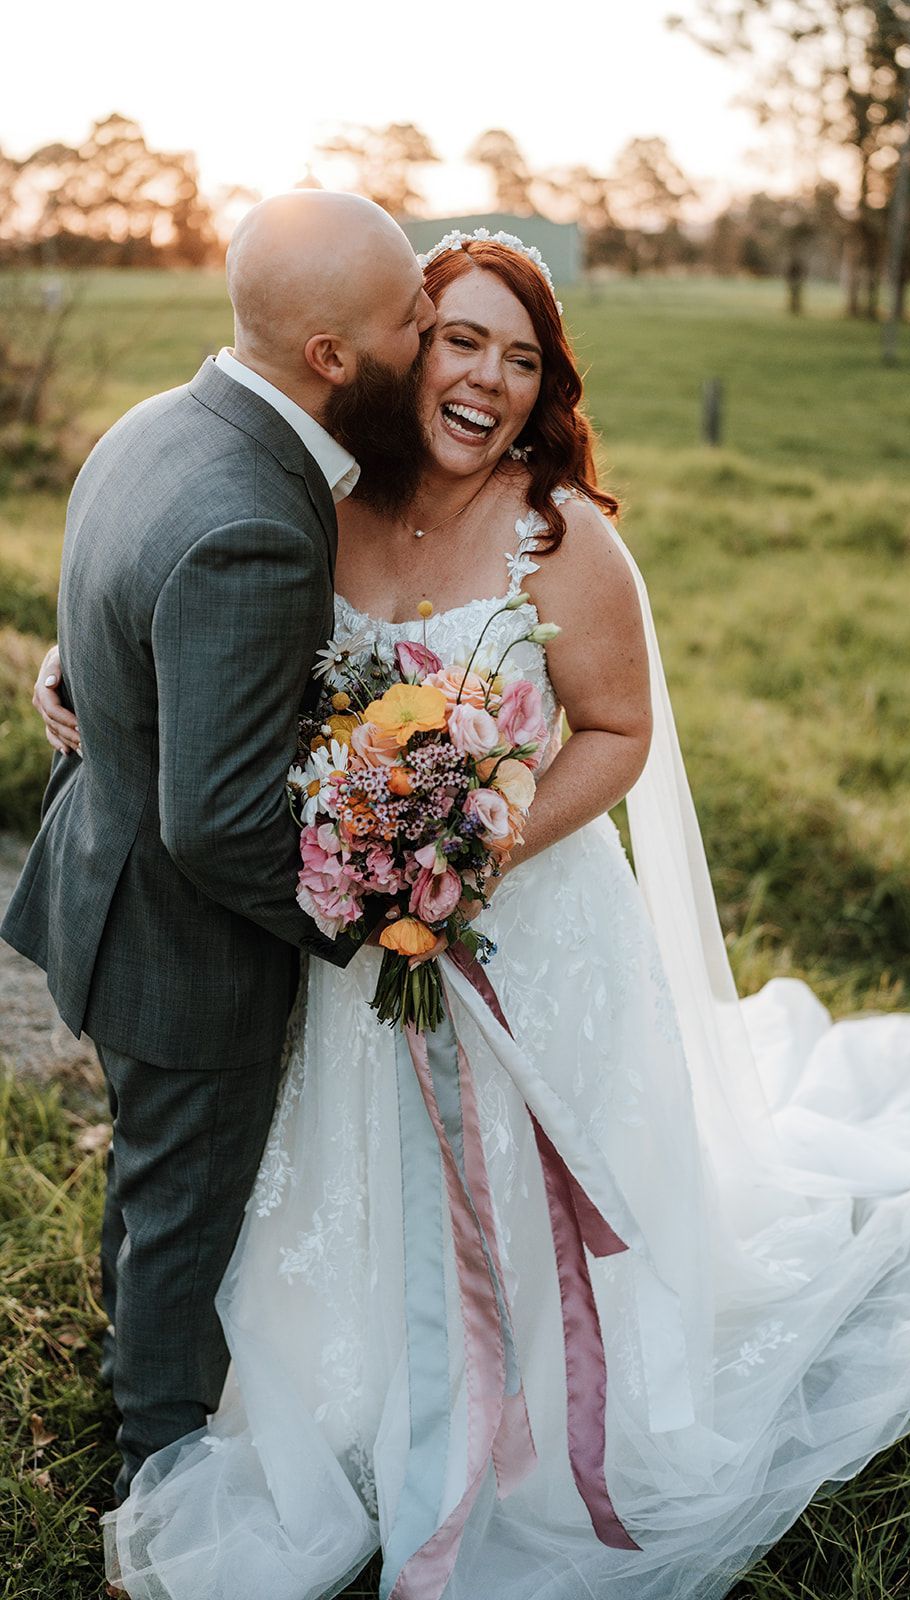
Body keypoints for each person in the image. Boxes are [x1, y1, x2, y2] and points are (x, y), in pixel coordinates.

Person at [30, 233, 910, 1600]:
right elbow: (201, 625)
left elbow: (620, 730)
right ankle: (307, 1396)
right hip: (347, 940)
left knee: (535, 1219)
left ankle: (526, 1414)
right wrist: (83, 672)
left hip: (519, 928)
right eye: (458, 339)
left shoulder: (559, 537)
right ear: (400, 351)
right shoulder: (323, 500)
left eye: (522, 359)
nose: (488, 380)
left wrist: (474, 845)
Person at [1, 189, 436, 1516]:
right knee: (187, 1212)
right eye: (409, 323)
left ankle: (147, 1364)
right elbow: (224, 820)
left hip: (103, 885)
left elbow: (125, 613)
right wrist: (378, 917)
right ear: (332, 360)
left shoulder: (156, 424)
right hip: (181, 946)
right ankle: (161, 1481)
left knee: (156, 1183)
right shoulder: (256, 513)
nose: (426, 341)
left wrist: (80, 675)